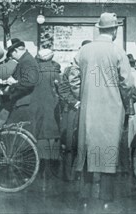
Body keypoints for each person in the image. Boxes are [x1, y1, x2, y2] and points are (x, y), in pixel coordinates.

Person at [69, 12, 135, 209]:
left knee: (88, 151)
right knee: (108, 152)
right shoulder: (117, 52)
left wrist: (82, 95)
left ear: (99, 28)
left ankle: (85, 196)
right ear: (114, 30)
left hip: (89, 109)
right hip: (112, 110)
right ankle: (106, 199)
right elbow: (127, 83)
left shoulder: (84, 51)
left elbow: (72, 77)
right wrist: (125, 102)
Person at [58, 40, 91, 181]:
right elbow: (63, 89)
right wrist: (76, 102)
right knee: (70, 144)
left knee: (88, 144)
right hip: (73, 110)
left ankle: (85, 176)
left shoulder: (93, 70)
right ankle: (69, 176)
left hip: (90, 111)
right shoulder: (69, 70)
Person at [30, 48, 61, 183]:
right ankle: (51, 167)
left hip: (37, 107)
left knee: (40, 134)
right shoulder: (54, 72)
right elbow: (61, 90)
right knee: (52, 135)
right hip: (52, 107)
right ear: (51, 58)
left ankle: (40, 166)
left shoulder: (34, 72)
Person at [4, 39, 39, 132]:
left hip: (24, 103)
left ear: (15, 50)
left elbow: (30, 82)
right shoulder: (25, 59)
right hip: (23, 102)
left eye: (11, 54)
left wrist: (14, 84)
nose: (11, 57)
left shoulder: (27, 61)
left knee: (11, 132)